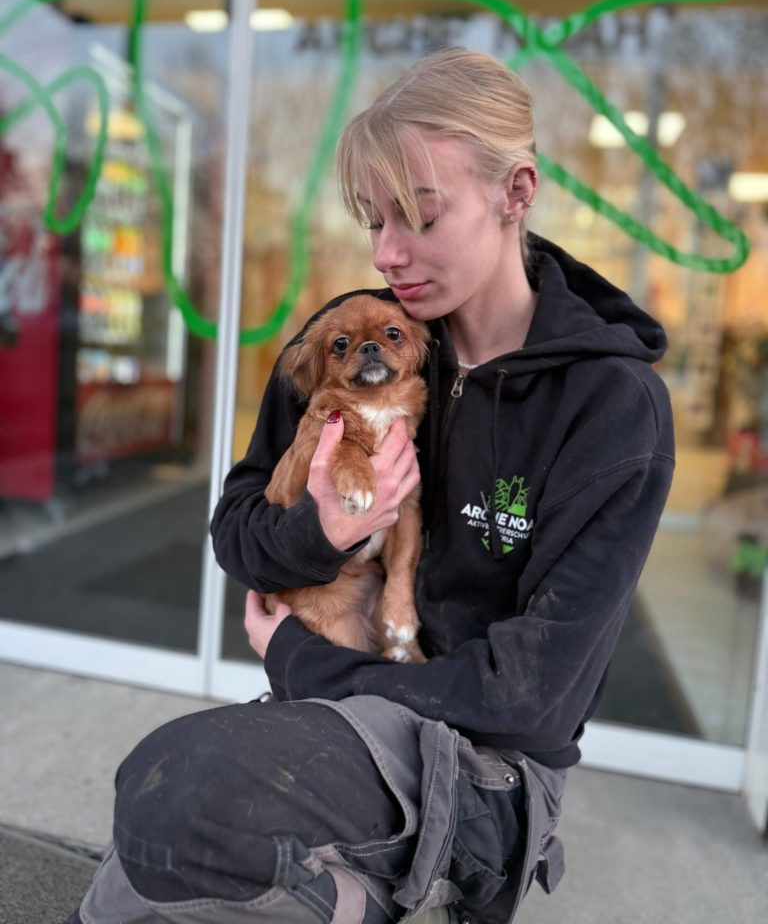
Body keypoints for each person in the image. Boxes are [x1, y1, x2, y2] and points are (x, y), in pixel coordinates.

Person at [69, 48, 675, 924]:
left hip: (481, 763)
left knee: (188, 797)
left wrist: (306, 663)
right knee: (142, 851)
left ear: (516, 192)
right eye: (372, 220)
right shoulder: (352, 341)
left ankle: (396, 894)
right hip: (339, 707)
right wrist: (321, 534)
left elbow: (530, 695)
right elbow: (236, 529)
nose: (390, 252)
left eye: (421, 216)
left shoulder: (613, 406)